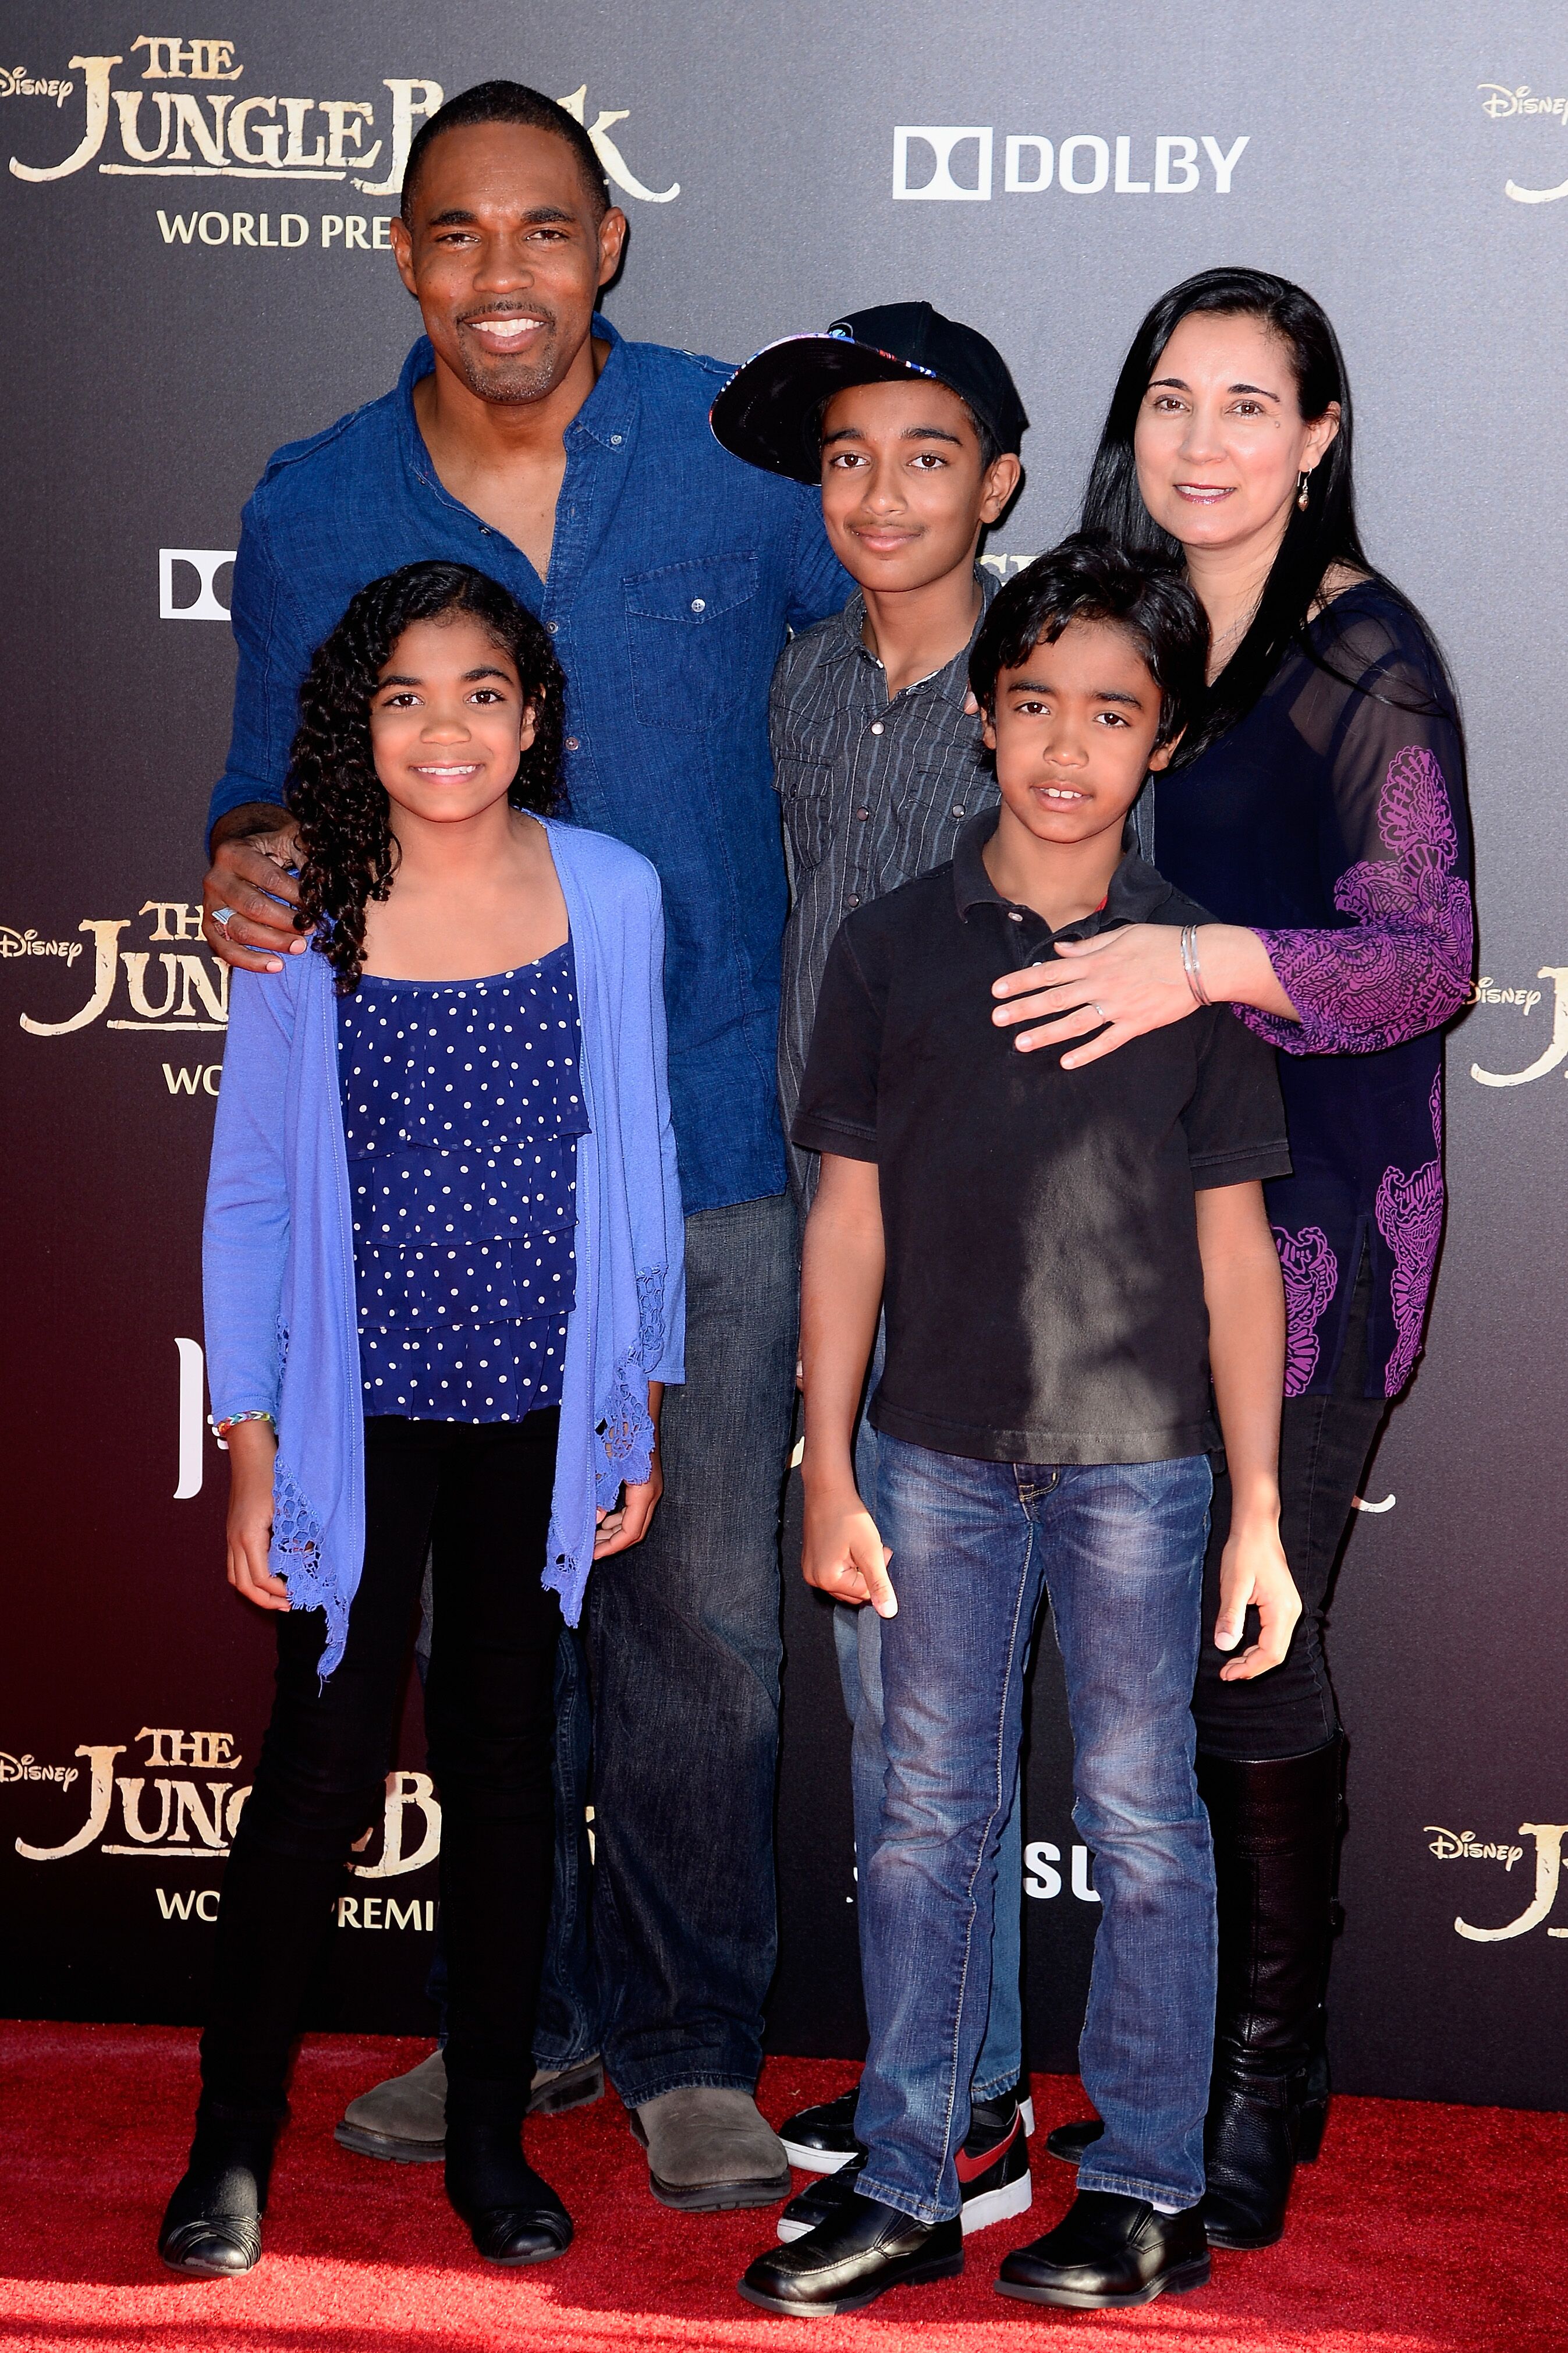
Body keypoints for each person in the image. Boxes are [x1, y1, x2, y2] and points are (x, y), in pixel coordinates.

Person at [198, 80, 849, 2208]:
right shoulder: (310, 503)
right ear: (403, 255)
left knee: (693, 1628)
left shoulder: (754, 462)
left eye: (544, 233)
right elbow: (260, 808)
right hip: (427, 1188)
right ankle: (526, 2022)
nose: (503, 278)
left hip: (709, 1139)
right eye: (459, 235)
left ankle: (684, 2046)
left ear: (608, 247)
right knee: (491, 1645)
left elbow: (899, 677)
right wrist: (247, 880)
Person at [739, 535, 1301, 2319]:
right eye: (1037, 702)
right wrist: (829, 1461)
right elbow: (847, 1221)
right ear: (983, 715)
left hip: (1146, 1468)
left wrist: (1262, 1509)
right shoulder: (897, 951)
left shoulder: (1195, 974)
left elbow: (1237, 1257)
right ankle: (913, 2176)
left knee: (1145, 1820)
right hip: (928, 1459)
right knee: (922, 1822)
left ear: (1163, 742)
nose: (1068, 745)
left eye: (1113, 714)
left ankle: (1143, 2181)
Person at [989, 269, 1473, 2249]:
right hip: (1118, 1227)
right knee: (1124, 1659)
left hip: (1323, 1227)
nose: (1202, 440)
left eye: (1249, 405)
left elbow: (1426, 959)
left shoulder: (1371, 659)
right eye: (1171, 399)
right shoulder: (1122, 627)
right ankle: (1165, 2058)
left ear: (1320, 436)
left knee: (1239, 1645)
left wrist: (1199, 958)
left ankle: (1265, 2072)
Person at [158, 561, 684, 2277]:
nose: (443, 726)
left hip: (540, 1402)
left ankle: (489, 2142)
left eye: (479, 690)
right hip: (353, 1416)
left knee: (509, 1773)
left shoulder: (608, 888)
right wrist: (249, 1443)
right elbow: (249, 1197)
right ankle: (230, 2144)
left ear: (534, 715)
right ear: (353, 725)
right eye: (403, 695)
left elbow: (645, 1160)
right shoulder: (300, 910)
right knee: (314, 1773)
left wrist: (636, 1411)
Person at [710, 302, 1040, 2232]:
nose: (883, 490)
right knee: (892, 1684)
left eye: (927, 454)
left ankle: (972, 2108)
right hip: (813, 1227)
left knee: (934, 1698)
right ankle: (952, 2058)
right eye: (847, 457)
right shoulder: (805, 682)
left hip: (972, 1261)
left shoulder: (1055, 691)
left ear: (999, 481)